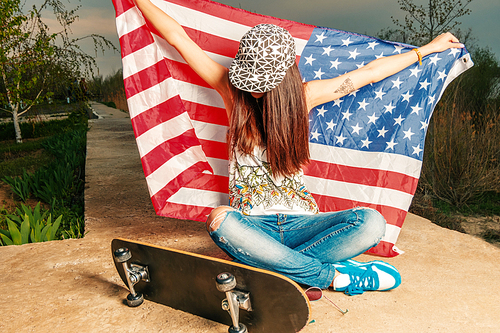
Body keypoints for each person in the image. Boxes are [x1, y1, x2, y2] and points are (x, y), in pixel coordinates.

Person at [135, 0, 464, 295]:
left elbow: (369, 74)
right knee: (220, 219)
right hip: (251, 226)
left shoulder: (306, 97)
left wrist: (427, 50)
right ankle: (331, 277)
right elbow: (178, 37)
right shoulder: (231, 92)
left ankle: (271, 268)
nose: (253, 90)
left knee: (372, 222)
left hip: (303, 224)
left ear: (282, 79)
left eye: (260, 84)